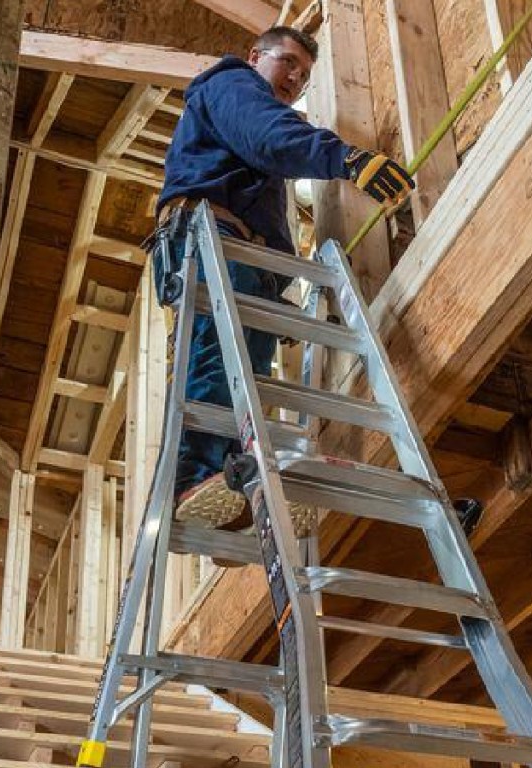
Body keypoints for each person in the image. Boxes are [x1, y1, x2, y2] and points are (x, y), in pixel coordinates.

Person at [152, 25, 414, 537]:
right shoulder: (230, 84)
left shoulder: (250, 114)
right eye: (288, 61)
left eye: (305, 74)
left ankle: (222, 492)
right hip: (210, 237)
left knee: (242, 374)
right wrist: (346, 158)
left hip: (243, 252)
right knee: (219, 358)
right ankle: (195, 475)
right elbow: (269, 135)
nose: (295, 76)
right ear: (255, 56)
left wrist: (277, 293)